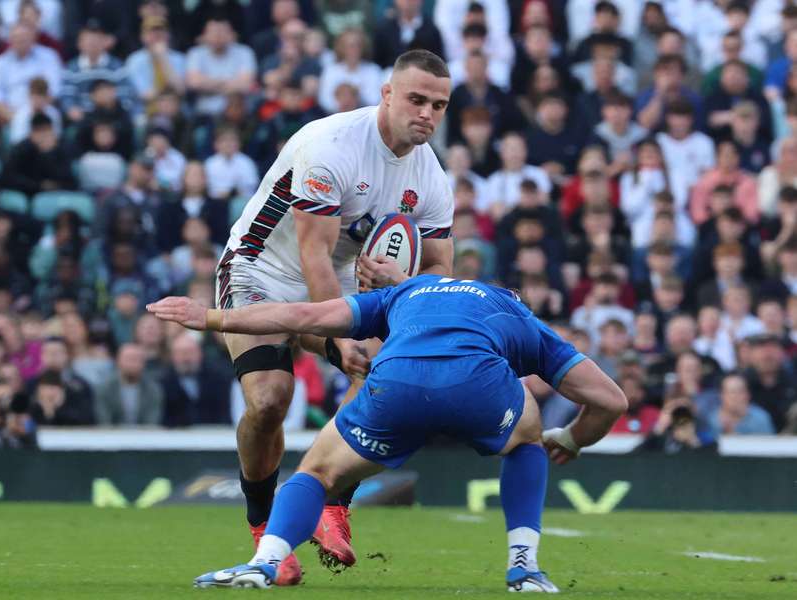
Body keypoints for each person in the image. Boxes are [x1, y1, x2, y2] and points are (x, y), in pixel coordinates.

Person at [147, 273, 627, 592]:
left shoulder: (403, 294)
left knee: (316, 471)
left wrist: (210, 317)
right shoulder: (516, 313)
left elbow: (303, 317)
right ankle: (524, 567)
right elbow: (610, 401)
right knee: (526, 435)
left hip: (397, 382)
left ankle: (265, 562)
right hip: (475, 389)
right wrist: (571, 438)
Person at [207, 49, 455, 585]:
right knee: (270, 399)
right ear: (386, 94)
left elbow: (438, 274)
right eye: (416, 99)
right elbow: (311, 253)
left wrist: (396, 288)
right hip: (261, 270)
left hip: (340, 274)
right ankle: (263, 526)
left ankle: (332, 502)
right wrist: (342, 336)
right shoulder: (331, 145)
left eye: (438, 104)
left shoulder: (432, 176)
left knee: (375, 371)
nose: (427, 114)